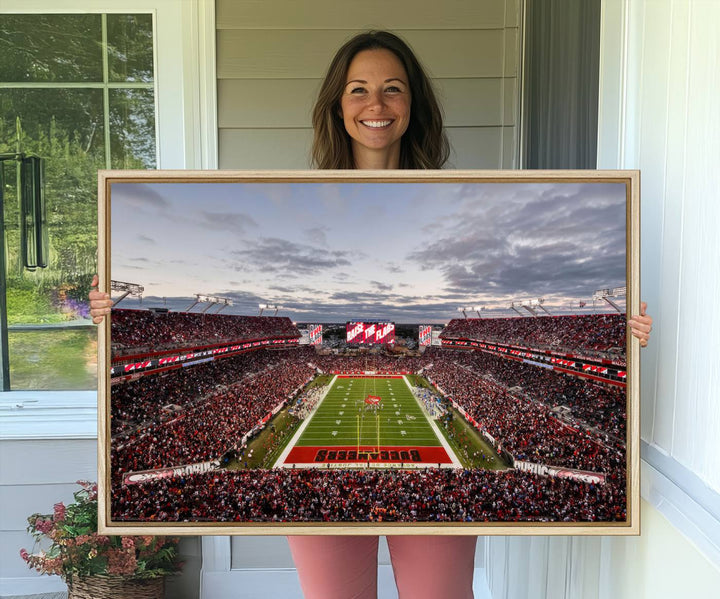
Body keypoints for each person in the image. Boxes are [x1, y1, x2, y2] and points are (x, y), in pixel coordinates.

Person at [89, 30, 653, 599]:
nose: (376, 105)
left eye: (393, 89)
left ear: (413, 104)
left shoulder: (456, 199)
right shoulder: (298, 198)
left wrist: (619, 332)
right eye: (358, 89)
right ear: (338, 104)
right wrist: (115, 316)